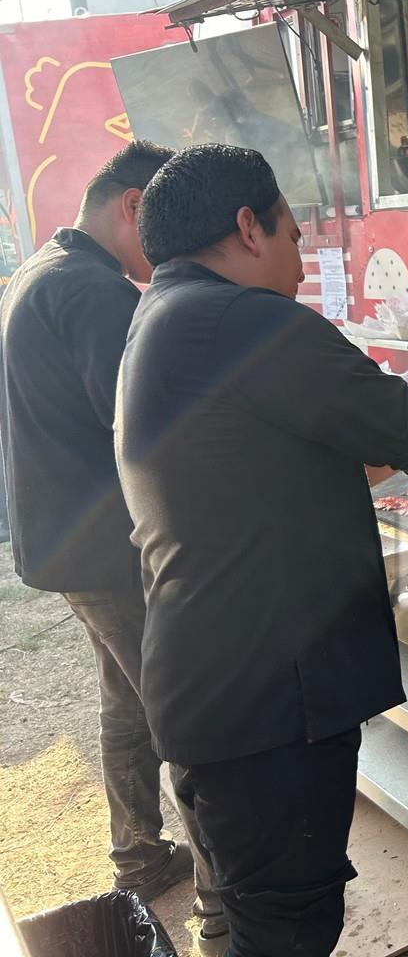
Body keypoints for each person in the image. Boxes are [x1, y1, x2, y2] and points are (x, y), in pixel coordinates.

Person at [117, 143, 408, 957]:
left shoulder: (170, 315)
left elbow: (333, 446)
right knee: (285, 933)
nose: (302, 252)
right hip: (263, 715)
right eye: (290, 231)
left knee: (263, 920)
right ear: (248, 227)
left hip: (213, 696)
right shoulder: (244, 322)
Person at [0, 142, 229, 954]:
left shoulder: (43, 269)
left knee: (127, 704)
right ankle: (219, 902)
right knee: (186, 717)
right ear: (132, 204)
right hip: (108, 548)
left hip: (65, 543)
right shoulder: (91, 293)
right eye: (158, 226)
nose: (164, 252)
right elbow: (143, 426)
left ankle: (139, 856)